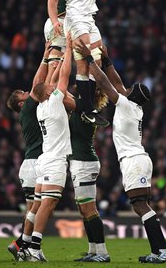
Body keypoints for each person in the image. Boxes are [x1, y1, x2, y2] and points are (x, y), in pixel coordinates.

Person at [75, 41, 166, 264]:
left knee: (140, 205)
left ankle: (164, 249)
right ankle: (159, 250)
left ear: (133, 96)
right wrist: (107, 58)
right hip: (138, 159)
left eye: (130, 90)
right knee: (140, 205)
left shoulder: (127, 105)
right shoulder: (132, 106)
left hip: (134, 160)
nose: (126, 89)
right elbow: (117, 82)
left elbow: (105, 83)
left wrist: (89, 60)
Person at [19, 34, 72, 262]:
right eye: (50, 89)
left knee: (40, 204)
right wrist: (67, 50)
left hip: (44, 160)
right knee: (48, 203)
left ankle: (25, 244)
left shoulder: (41, 106)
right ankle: (34, 246)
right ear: (48, 93)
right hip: (54, 160)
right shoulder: (53, 102)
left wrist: (51, 59)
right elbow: (64, 76)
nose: (53, 89)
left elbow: (47, 84)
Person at [6, 41, 51, 260]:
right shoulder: (27, 111)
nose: (27, 93)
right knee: (39, 207)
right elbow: (37, 85)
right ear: (21, 104)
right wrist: (46, 56)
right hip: (34, 163)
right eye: (22, 94)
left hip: (31, 163)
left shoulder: (30, 113)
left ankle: (22, 245)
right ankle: (25, 244)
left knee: (35, 208)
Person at [65, 86, 110, 263]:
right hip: (82, 161)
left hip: (84, 163)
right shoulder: (85, 108)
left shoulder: (81, 107)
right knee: (84, 210)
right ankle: (93, 250)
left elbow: (62, 95)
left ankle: (103, 252)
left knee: (89, 209)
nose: (75, 85)